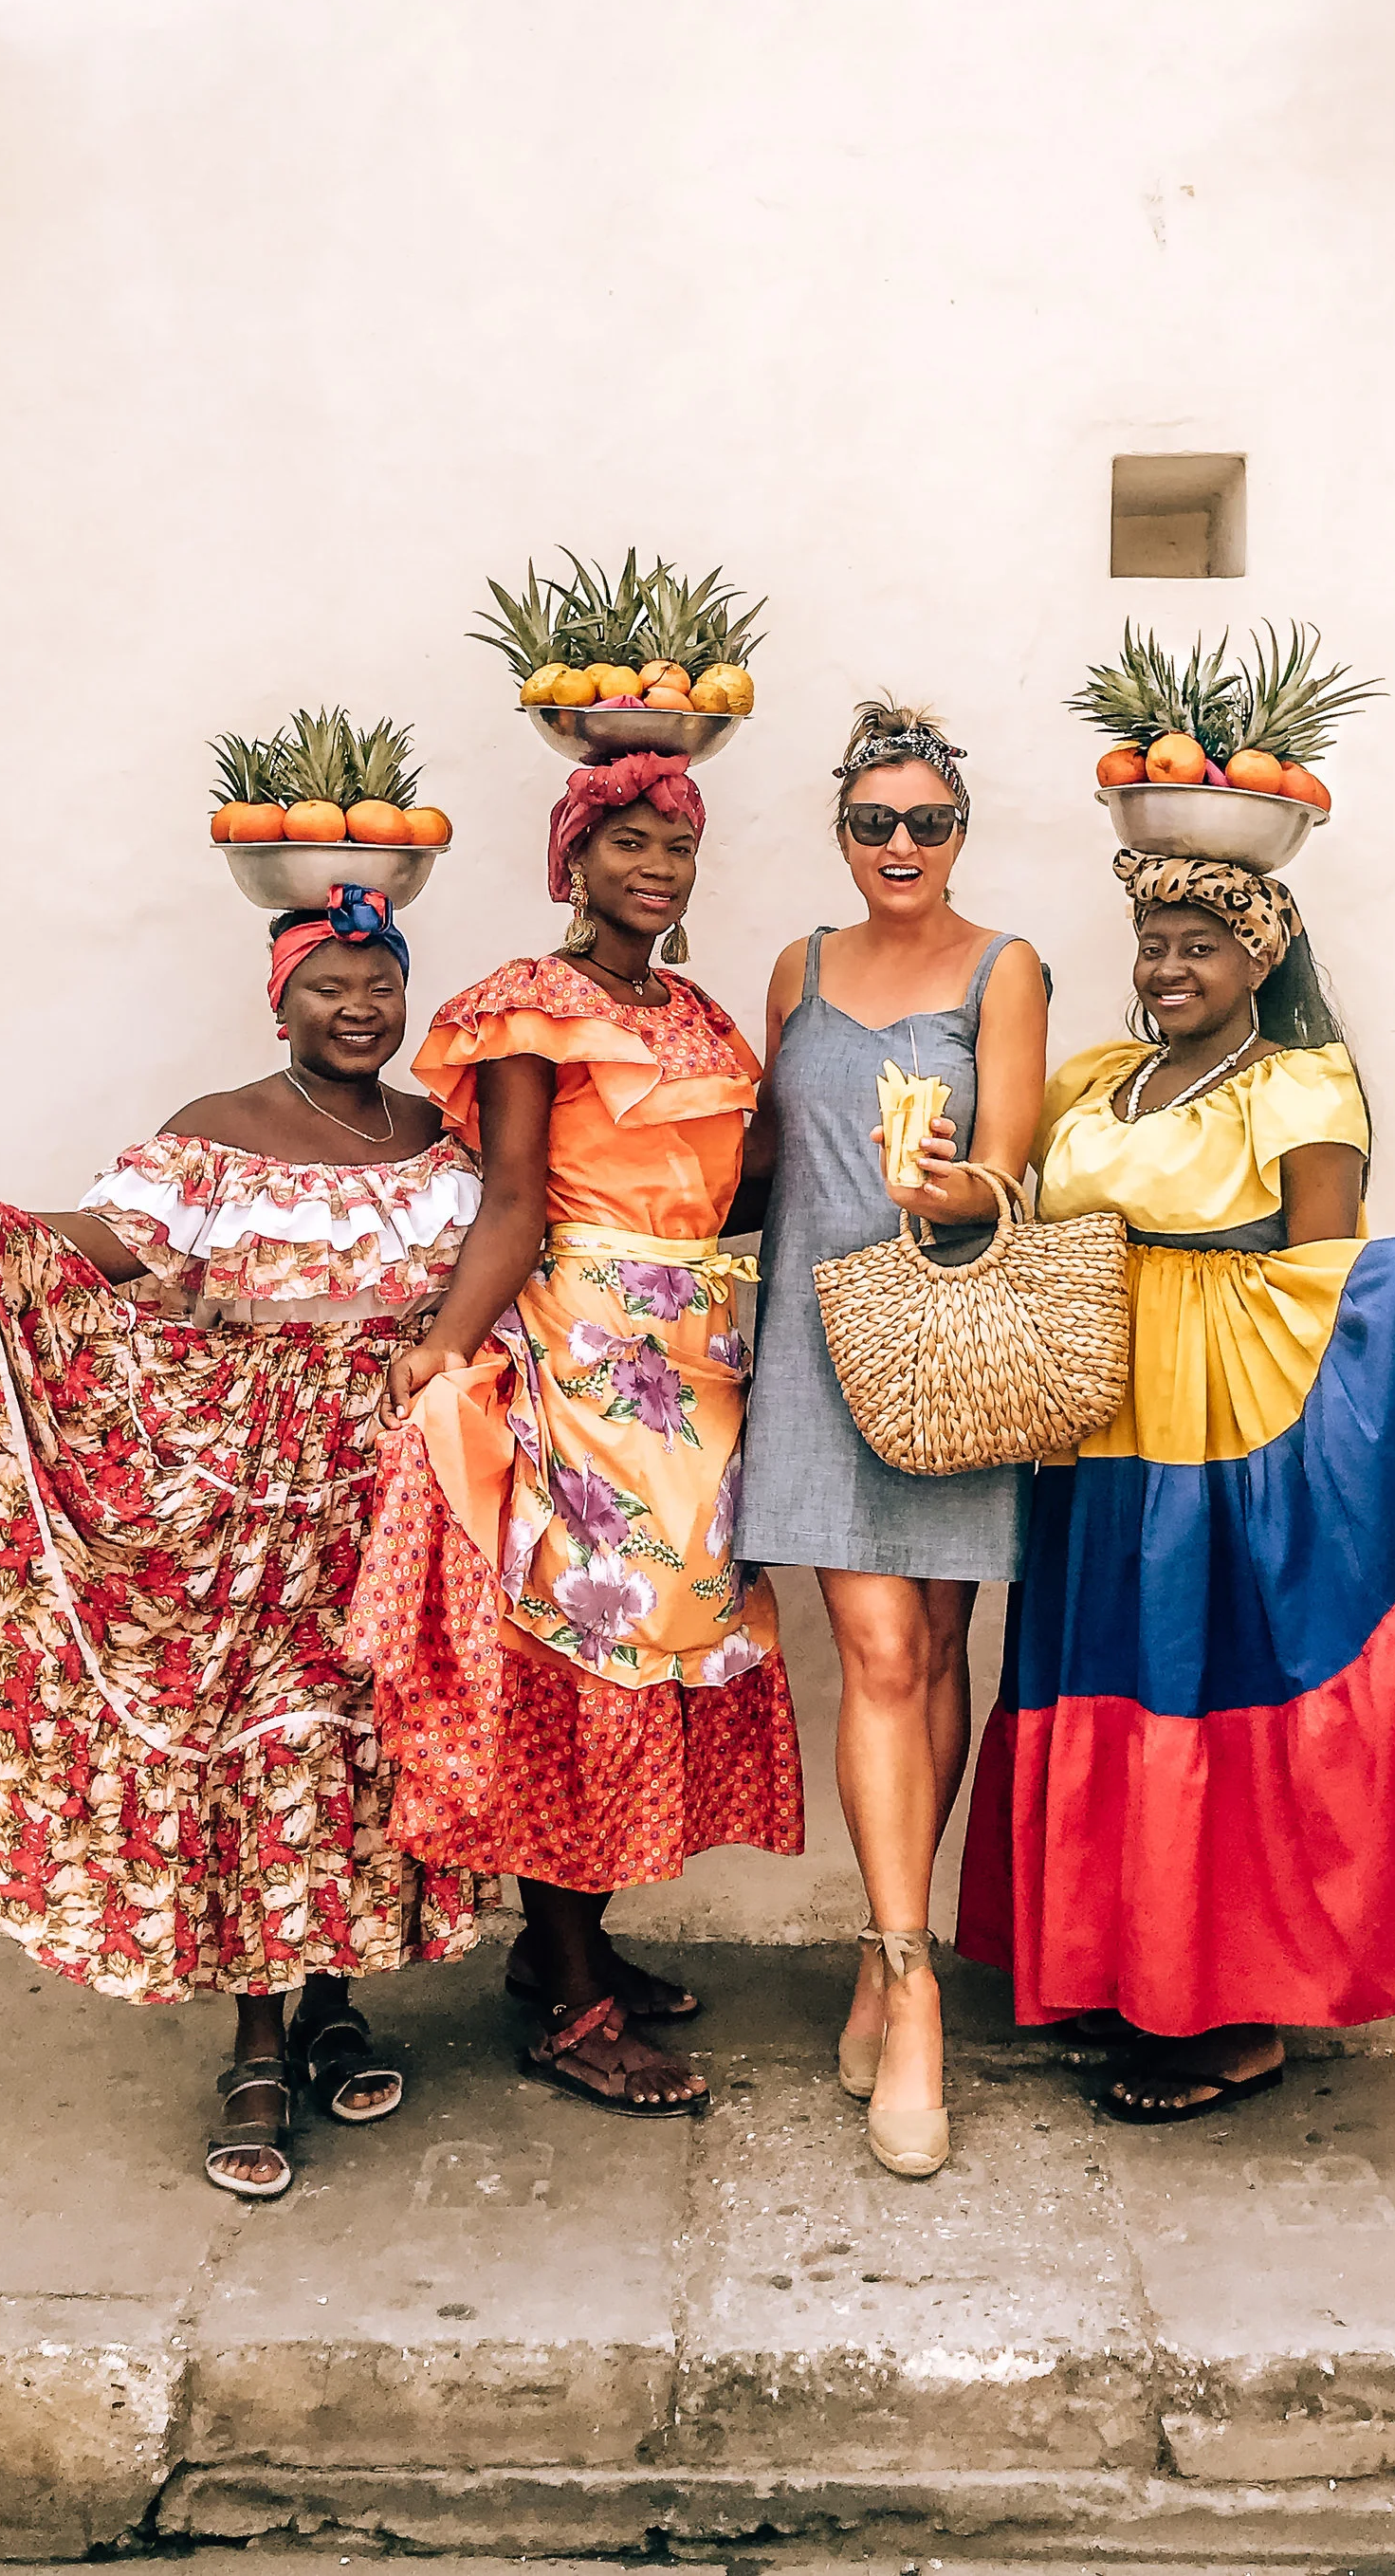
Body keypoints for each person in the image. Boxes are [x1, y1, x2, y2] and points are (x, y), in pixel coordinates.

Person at [956, 849, 1395, 2122]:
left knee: (1204, 1678)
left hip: (1226, 1429)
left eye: (1202, 948)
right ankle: (1123, 1968)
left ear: (1262, 958)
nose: (1170, 969)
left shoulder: (1300, 1086)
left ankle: (1233, 2020)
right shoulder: (1094, 1079)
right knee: (1108, 1671)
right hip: (1095, 1420)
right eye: (1155, 943)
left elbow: (1322, 1278)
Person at [0, 883, 487, 2200]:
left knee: (360, 1738)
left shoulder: (438, 1139)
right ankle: (258, 2048)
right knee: (256, 1742)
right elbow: (85, 1254)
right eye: (327, 986)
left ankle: (337, 2003)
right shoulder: (213, 1142)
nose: (357, 1008)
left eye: (379, 983)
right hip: (246, 1510)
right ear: (275, 999)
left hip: (393, 1498)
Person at [350, 751, 801, 2122]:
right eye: (626, 845)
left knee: (652, 1652)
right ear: (572, 863)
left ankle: (576, 1942)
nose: (654, 867)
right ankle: (565, 1992)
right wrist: (440, 1349)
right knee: (580, 1654)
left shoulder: (705, 1016)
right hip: (578, 1361)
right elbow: (512, 1204)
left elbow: (748, 1184)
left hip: (697, 1364)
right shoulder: (528, 1009)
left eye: (675, 845)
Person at [734, 701, 1048, 2180]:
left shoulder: (1006, 966)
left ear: (960, 835)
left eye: (927, 823)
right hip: (810, 1347)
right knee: (875, 1652)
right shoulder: (797, 969)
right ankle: (915, 1993)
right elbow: (752, 1158)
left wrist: (951, 1190)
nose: (901, 846)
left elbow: (1016, 1159)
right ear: (842, 835)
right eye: (875, 823)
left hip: (948, 1343)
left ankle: (879, 1947)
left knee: (937, 1655)